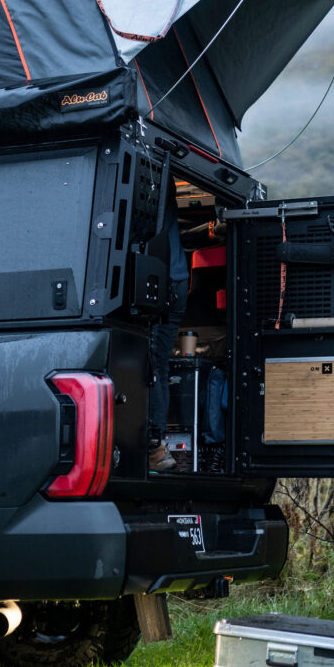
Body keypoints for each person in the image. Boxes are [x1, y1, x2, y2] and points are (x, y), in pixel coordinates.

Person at [146, 198, 188, 473]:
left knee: (148, 365)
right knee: (158, 366)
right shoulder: (167, 182)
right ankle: (158, 447)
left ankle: (154, 447)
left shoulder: (152, 180)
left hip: (156, 277)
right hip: (177, 279)